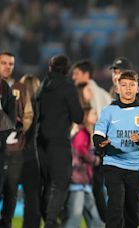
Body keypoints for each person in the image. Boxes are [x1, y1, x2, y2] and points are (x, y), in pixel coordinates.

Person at [93, 71, 139, 228]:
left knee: (132, 210)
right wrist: (101, 143)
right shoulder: (108, 111)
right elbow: (97, 135)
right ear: (117, 89)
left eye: (131, 85)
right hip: (113, 164)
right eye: (124, 85)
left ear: (137, 88)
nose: (128, 89)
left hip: (135, 167)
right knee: (115, 205)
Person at [37, 55, 84, 228]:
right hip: (58, 143)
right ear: (67, 69)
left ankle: (48, 220)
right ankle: (50, 223)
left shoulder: (42, 87)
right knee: (61, 183)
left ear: (50, 68)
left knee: (46, 184)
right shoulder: (68, 88)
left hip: (39, 142)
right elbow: (78, 117)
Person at [63, 106, 104, 228]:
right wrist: (94, 159)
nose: (96, 116)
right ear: (86, 116)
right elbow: (81, 150)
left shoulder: (85, 132)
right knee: (75, 217)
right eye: (93, 114)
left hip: (84, 181)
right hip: (78, 180)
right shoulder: (82, 133)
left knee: (93, 216)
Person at [0, 51, 27, 228]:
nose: (7, 66)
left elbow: (13, 119)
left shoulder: (17, 87)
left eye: (10, 64)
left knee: (11, 191)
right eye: (4, 63)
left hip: (13, 149)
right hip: (4, 147)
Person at [19, 74, 41, 228]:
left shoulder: (14, 108)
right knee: (34, 199)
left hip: (18, 159)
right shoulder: (44, 110)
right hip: (38, 160)